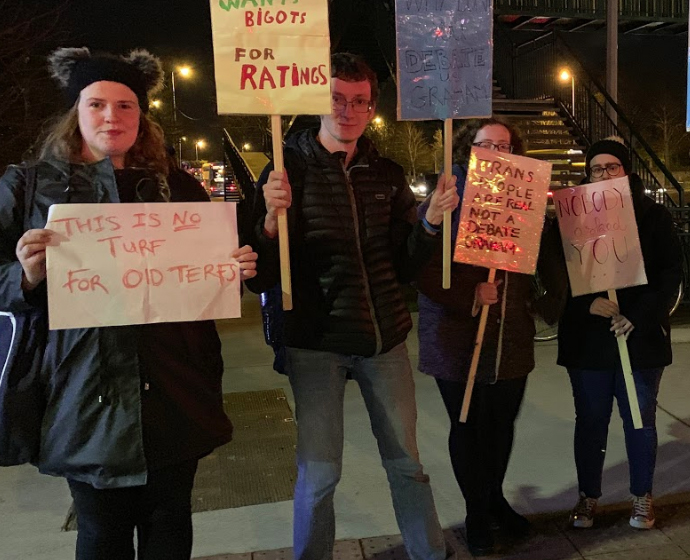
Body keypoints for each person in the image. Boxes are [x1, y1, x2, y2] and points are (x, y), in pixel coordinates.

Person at [0, 47, 257, 560]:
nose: (111, 117)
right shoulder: (26, 187)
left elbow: (204, 269)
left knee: (170, 522)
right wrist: (23, 277)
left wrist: (234, 268)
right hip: (82, 393)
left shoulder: (175, 185)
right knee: (101, 532)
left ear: (143, 117)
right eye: (97, 104)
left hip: (174, 385)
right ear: (76, 111)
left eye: (125, 106)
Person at [245, 53, 457, 560]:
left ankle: (429, 553)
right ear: (319, 102)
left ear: (371, 108)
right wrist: (271, 222)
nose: (348, 110)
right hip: (316, 344)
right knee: (320, 472)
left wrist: (428, 223)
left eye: (359, 101)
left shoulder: (385, 172)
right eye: (337, 98)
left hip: (383, 340)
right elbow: (261, 275)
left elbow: (406, 265)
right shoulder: (285, 170)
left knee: (407, 461)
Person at [413, 117, 564, 556]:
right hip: (455, 333)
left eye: (505, 144)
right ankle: (477, 512)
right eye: (486, 144)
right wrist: (469, 293)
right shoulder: (448, 194)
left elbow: (546, 258)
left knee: (500, 426)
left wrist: (546, 302)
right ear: (470, 149)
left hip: (509, 334)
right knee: (467, 423)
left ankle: (493, 499)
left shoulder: (525, 195)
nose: (496, 151)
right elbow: (418, 265)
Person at [557, 138, 683, 531]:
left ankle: (642, 496)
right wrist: (585, 304)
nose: (604, 175)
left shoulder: (653, 217)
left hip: (638, 340)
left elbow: (670, 275)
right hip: (589, 343)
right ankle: (588, 496)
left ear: (627, 172)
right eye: (597, 168)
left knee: (640, 420)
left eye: (612, 167)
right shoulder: (572, 217)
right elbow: (557, 274)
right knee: (590, 421)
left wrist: (639, 317)